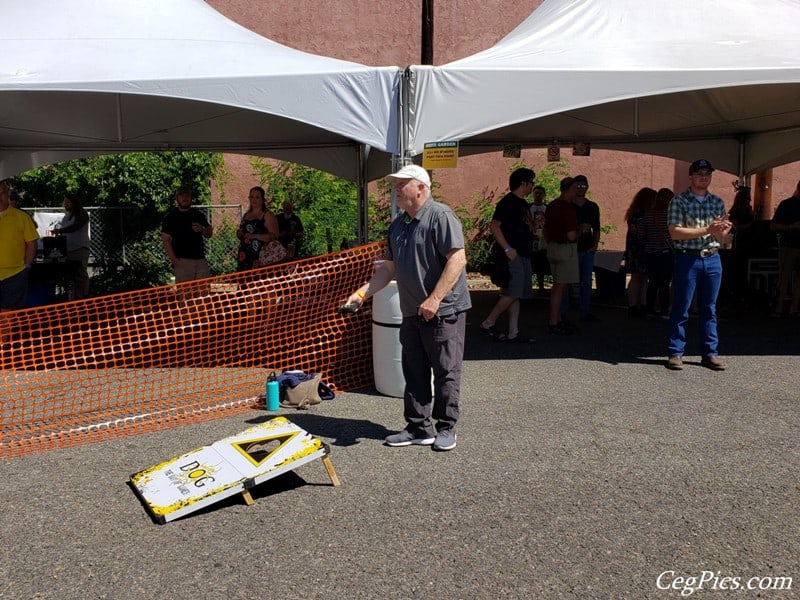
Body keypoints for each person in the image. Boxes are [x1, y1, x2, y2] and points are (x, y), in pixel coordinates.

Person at [345, 164, 471, 452]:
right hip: (412, 311)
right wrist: (362, 293)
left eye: (402, 184)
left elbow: (457, 260)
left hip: (444, 310)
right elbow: (388, 269)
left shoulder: (441, 216)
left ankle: (446, 427)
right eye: (395, 184)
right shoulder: (398, 225)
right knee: (413, 370)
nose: (396, 189)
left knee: (446, 370)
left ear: (421, 188)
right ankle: (418, 427)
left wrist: (435, 298)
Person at [666, 160, 732, 371]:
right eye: (700, 173)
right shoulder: (679, 201)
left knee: (709, 308)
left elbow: (721, 237)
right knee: (681, 306)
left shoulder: (717, 202)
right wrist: (708, 230)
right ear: (691, 177)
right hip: (688, 257)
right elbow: (675, 232)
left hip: (713, 257)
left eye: (708, 174)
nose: (704, 177)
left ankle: (710, 353)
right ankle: (676, 351)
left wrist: (725, 230)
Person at [479, 167, 536, 343]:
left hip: (523, 253)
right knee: (513, 291)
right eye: (531, 183)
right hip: (513, 255)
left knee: (516, 293)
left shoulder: (523, 204)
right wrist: (507, 249)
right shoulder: (508, 202)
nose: (532, 186)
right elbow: (494, 225)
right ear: (523, 183)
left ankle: (513, 332)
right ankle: (489, 322)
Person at [560, 174, 601, 322]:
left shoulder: (592, 206)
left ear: (587, 187)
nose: (580, 189)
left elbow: (597, 228)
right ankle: (563, 312)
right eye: (578, 186)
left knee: (586, 281)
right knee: (566, 281)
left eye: (583, 186)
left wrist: (595, 245)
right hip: (571, 248)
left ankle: (585, 311)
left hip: (587, 248)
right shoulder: (568, 205)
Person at [544, 177, 579, 334]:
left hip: (552, 247)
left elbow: (545, 229)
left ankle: (556, 318)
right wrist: (581, 231)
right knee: (560, 286)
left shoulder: (551, 205)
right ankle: (554, 321)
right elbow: (571, 235)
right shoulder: (568, 208)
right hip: (565, 249)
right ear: (571, 189)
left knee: (557, 285)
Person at [0, 180, 39, 310]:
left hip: (14, 274)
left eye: (2, 193)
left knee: (9, 315)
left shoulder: (21, 217)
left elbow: (32, 242)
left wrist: (26, 266)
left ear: (7, 195)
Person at [161, 186, 213, 283]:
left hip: (200, 260)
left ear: (191, 198)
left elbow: (209, 233)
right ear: (177, 198)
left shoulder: (198, 215)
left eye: (187, 195)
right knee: (185, 295)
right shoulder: (170, 217)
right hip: (182, 261)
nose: (185, 198)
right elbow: (165, 240)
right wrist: (175, 261)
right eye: (182, 195)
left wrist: (202, 229)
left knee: (203, 295)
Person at [622, 188, 654, 317]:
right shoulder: (644, 215)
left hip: (633, 249)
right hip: (641, 249)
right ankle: (638, 305)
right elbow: (642, 234)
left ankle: (635, 304)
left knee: (638, 277)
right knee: (639, 277)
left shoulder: (633, 214)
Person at [51, 193, 91, 299]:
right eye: (65, 202)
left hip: (80, 248)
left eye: (68, 202)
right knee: (70, 275)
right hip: (69, 249)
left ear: (75, 203)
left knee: (81, 274)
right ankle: (73, 296)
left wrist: (60, 230)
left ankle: (84, 296)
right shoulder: (66, 216)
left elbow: (75, 227)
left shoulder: (82, 213)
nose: (66, 204)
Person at [770, 180, 800, 317]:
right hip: (788, 245)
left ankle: (794, 307)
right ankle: (779, 306)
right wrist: (791, 227)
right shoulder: (786, 204)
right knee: (784, 277)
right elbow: (773, 226)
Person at [643, 187, 674, 318]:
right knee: (664, 283)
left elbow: (641, 234)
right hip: (666, 252)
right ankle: (664, 310)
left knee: (653, 282)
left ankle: (649, 309)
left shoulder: (648, 214)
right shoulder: (670, 216)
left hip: (650, 252)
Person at [236, 187, 280, 270]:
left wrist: (254, 236)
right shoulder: (246, 215)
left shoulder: (267, 215)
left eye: (257, 197)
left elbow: (274, 236)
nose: (254, 200)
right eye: (251, 197)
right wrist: (240, 234)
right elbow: (242, 232)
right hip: (245, 255)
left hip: (262, 256)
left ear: (263, 199)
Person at [728, 186, 756, 300]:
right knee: (739, 267)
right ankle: (738, 291)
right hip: (740, 241)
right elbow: (737, 227)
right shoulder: (734, 211)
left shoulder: (748, 210)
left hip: (749, 242)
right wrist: (750, 225)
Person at [529, 184, 549, 294]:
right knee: (531, 262)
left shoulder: (547, 208)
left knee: (542, 262)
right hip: (532, 239)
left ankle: (541, 286)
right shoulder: (528, 208)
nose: (538, 195)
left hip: (544, 240)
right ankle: (529, 286)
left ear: (544, 195)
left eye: (540, 193)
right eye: (536, 193)